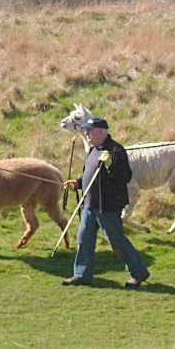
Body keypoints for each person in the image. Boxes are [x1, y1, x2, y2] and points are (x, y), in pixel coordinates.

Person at [61, 116, 150, 288]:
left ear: (100, 132)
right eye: (86, 130)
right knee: (83, 239)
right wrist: (78, 183)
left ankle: (139, 273)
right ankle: (81, 275)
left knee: (116, 241)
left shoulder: (116, 150)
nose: (86, 133)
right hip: (90, 204)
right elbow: (90, 174)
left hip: (108, 206)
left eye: (89, 131)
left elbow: (125, 177)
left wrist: (110, 164)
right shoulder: (94, 150)